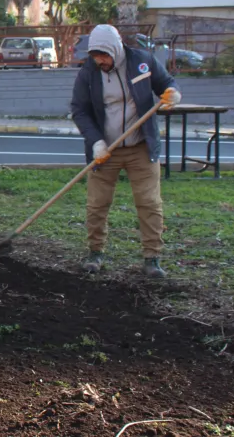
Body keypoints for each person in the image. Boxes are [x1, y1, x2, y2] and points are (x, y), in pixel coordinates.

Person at [71, 24, 181, 278]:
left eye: (104, 55)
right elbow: (79, 109)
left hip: (140, 146)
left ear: (115, 49)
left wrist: (173, 94)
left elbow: (165, 83)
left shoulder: (142, 61)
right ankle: (95, 253)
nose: (100, 61)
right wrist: (96, 141)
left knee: (149, 202)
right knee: (97, 204)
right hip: (105, 150)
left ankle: (152, 257)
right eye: (95, 56)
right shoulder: (89, 72)